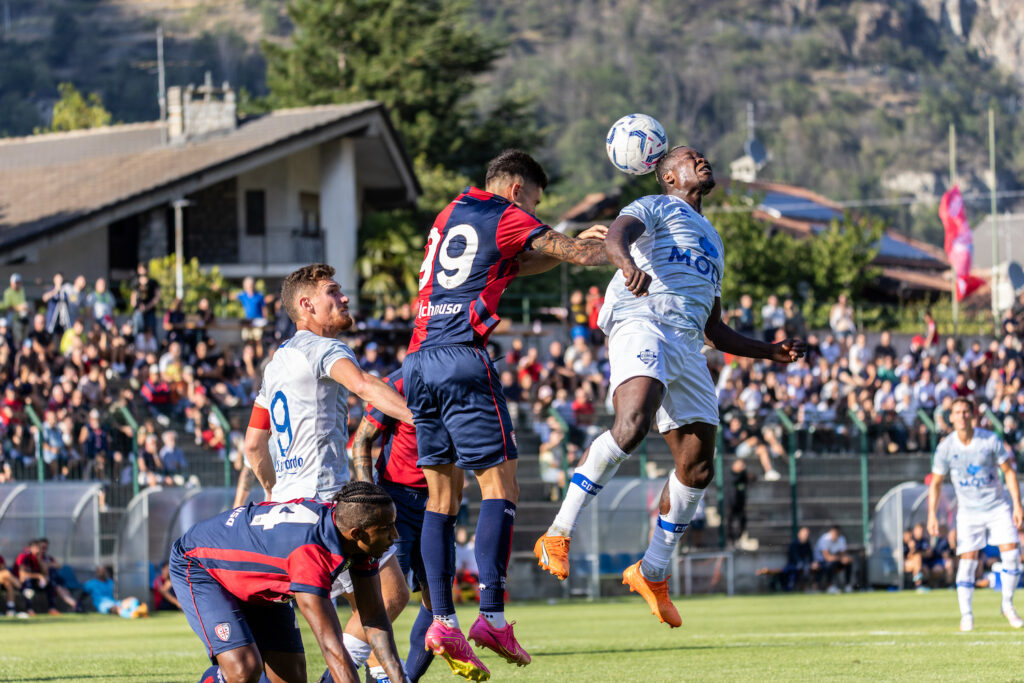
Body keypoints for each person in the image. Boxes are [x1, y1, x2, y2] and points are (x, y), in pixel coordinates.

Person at [533, 145, 806, 627]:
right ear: (669, 177)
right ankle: (558, 530)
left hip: (685, 342)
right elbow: (620, 234)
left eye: (703, 156)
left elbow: (715, 330)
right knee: (634, 421)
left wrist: (770, 351)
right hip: (642, 317)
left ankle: (652, 570)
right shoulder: (656, 206)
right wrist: (625, 264)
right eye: (690, 158)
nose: (703, 161)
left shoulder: (715, 239)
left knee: (698, 466)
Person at [403, 149, 607, 678]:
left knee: (442, 499)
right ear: (517, 190)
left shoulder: (450, 214)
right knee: (502, 489)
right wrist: (613, 238)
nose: (536, 213)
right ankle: (491, 615)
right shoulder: (507, 213)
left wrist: (568, 243)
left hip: (419, 361)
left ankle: (443, 621)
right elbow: (578, 256)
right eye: (536, 203)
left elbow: (527, 258)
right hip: (462, 360)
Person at [240, 263, 413, 676]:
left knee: (363, 612)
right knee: (389, 596)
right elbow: (365, 386)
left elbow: (252, 443)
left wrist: (272, 492)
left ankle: (376, 672)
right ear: (306, 305)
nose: (344, 298)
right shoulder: (325, 349)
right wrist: (425, 422)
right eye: (333, 292)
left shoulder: (277, 362)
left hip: (286, 510)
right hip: (328, 506)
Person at [169, 482, 407, 683]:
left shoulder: (357, 539)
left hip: (263, 582)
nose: (395, 536)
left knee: (291, 676)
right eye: (387, 528)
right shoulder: (310, 554)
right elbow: (331, 648)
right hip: (201, 564)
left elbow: (374, 619)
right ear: (357, 533)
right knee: (244, 670)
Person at [350, 368, 437, 682]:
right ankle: (350, 674)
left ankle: (406, 678)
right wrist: (369, 504)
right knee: (387, 597)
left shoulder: (461, 383)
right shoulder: (398, 383)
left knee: (439, 600)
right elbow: (361, 440)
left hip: (437, 503)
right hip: (394, 502)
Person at [927, 397, 1024, 632]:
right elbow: (936, 483)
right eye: (957, 412)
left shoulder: (989, 440)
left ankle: (1007, 604)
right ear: (951, 417)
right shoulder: (946, 447)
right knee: (968, 561)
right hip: (968, 512)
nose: (961, 416)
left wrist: (1017, 505)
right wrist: (931, 514)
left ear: (972, 416)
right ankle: (967, 615)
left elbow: (1009, 472)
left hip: (996, 507)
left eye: (965, 412)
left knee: (1012, 553)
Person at [814, 525, 853, 593]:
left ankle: (847, 585)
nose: (836, 535)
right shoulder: (824, 539)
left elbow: (842, 553)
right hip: (821, 561)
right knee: (830, 564)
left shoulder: (841, 539)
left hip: (835, 560)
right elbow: (827, 558)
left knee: (848, 563)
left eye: (837, 533)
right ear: (830, 532)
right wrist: (841, 558)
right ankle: (829, 586)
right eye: (834, 533)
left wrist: (846, 558)